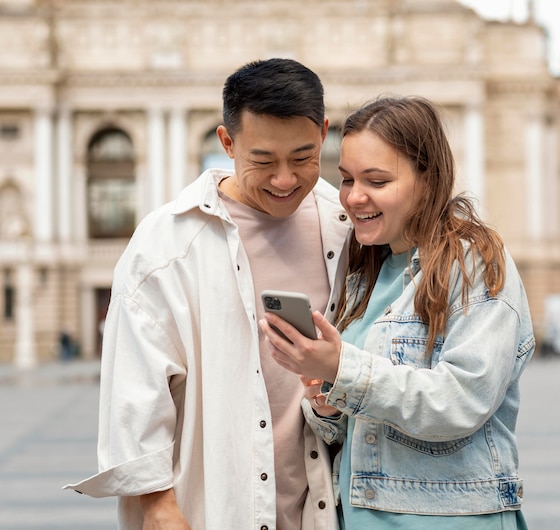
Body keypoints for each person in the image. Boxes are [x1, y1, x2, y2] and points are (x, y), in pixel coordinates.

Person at [64, 58, 351, 530]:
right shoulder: (166, 243)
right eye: (263, 160)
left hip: (326, 507)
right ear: (227, 142)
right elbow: (135, 390)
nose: (285, 180)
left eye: (303, 157)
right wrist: (157, 506)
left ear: (323, 133)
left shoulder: (346, 226)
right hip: (214, 506)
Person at [260, 96, 535, 529]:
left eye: (377, 180)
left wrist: (344, 368)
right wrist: (326, 400)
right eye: (347, 178)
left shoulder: (474, 261)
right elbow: (359, 431)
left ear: (427, 180)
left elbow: (463, 400)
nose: (353, 197)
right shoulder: (363, 273)